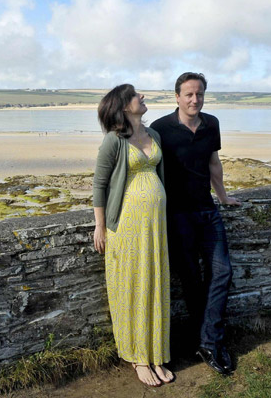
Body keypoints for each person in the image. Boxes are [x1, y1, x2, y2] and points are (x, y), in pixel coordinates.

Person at [150, 72, 241, 375]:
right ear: (176, 97)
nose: (194, 99)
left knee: (222, 271)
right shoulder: (160, 129)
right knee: (191, 281)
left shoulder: (211, 124)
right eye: (188, 94)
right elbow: (147, 169)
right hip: (177, 217)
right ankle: (208, 341)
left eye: (199, 94)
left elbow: (214, 163)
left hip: (207, 210)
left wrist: (224, 197)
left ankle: (209, 341)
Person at [93, 84, 174, 387]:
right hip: (126, 227)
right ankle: (140, 358)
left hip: (155, 226)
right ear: (125, 106)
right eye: (137, 95)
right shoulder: (113, 141)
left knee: (155, 284)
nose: (143, 97)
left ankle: (156, 354)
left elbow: (160, 176)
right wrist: (100, 226)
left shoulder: (154, 136)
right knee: (134, 288)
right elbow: (99, 185)